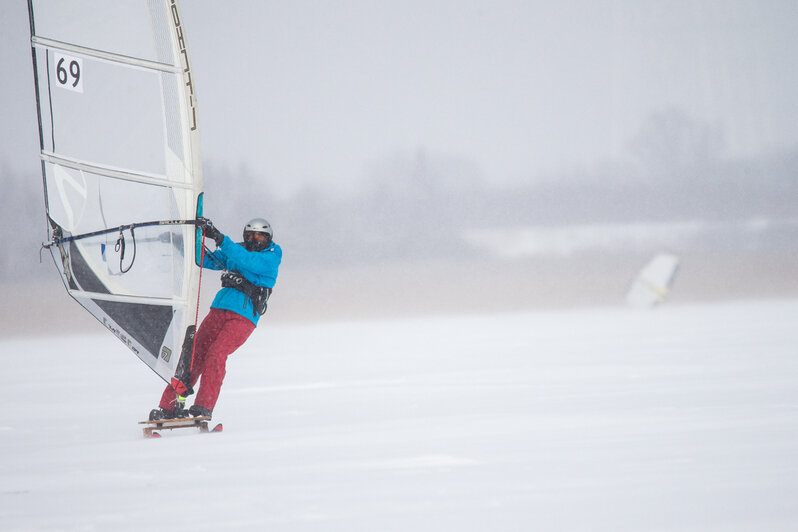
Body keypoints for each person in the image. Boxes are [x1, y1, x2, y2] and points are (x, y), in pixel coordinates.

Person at [149, 217, 282, 420]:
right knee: (193, 355)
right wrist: (182, 242)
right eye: (250, 236)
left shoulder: (272, 255)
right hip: (218, 309)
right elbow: (205, 258)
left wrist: (219, 237)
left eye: (260, 236)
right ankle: (169, 405)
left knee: (216, 354)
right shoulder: (235, 252)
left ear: (268, 238)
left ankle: (203, 407)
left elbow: (249, 262)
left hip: (244, 317)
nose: (255, 240)